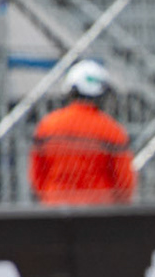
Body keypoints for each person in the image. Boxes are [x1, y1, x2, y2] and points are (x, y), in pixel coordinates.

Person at [31, 60, 137, 205]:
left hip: (56, 210)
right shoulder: (112, 131)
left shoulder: (47, 126)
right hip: (99, 212)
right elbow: (124, 183)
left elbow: (37, 175)